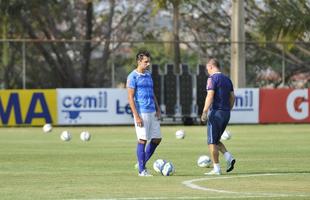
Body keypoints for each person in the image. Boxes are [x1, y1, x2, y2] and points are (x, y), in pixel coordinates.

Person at [126, 50, 162, 177]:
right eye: (146, 62)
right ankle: (142, 170)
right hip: (142, 112)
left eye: (149, 61)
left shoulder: (148, 75)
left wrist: (158, 108)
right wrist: (136, 116)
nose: (148, 64)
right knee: (142, 140)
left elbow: (152, 93)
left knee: (157, 139)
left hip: (152, 111)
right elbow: (130, 98)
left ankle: (141, 162)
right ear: (139, 61)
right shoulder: (132, 77)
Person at [201, 58, 236, 175]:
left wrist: (205, 111)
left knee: (211, 142)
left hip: (216, 113)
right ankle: (228, 157)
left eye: (207, 69)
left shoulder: (212, 79)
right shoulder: (227, 79)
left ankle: (216, 168)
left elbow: (210, 95)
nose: (207, 72)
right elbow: (233, 97)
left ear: (211, 66)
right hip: (226, 113)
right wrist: (228, 109)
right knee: (216, 140)